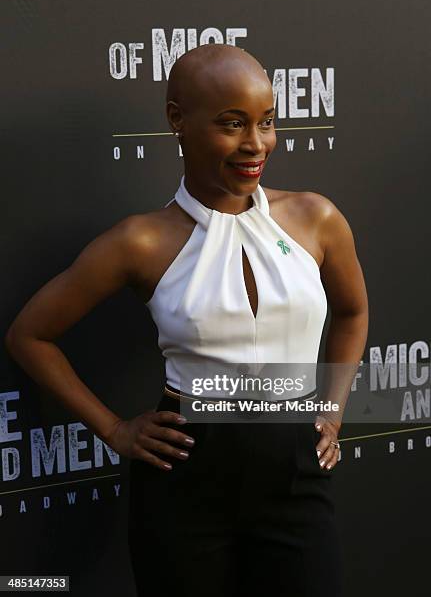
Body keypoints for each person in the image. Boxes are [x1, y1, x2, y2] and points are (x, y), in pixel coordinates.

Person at [5, 43, 369, 596]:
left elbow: (353, 310)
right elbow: (29, 335)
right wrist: (115, 430)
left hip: (294, 475)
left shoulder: (316, 218)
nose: (256, 144)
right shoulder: (140, 241)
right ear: (177, 118)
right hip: (184, 484)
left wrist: (332, 411)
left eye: (266, 123)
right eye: (232, 124)